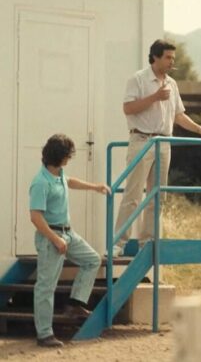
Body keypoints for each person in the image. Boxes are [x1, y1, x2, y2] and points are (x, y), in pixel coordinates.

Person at [111, 39, 201, 257]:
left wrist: (200, 130)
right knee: (133, 194)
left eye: (173, 58)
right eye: (168, 57)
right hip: (142, 140)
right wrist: (154, 97)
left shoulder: (172, 83)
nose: (172, 62)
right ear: (156, 57)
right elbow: (128, 108)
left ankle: (147, 243)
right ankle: (117, 244)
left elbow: (178, 115)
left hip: (164, 143)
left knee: (157, 196)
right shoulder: (138, 79)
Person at [29, 134, 110, 347]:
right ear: (58, 156)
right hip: (51, 236)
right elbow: (35, 217)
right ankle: (44, 334)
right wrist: (55, 239)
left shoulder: (59, 174)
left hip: (68, 233)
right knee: (46, 286)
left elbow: (69, 182)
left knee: (92, 259)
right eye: (67, 155)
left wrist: (95, 187)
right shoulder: (40, 182)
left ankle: (75, 303)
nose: (69, 159)